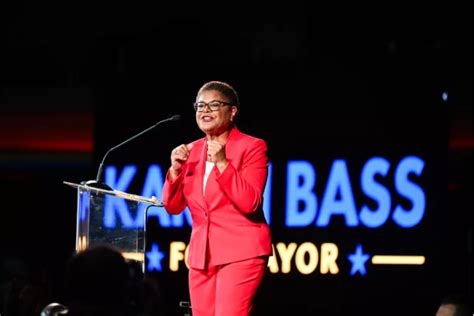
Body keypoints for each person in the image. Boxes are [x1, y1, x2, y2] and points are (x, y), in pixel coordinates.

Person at [161, 81, 272, 316]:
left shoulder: (251, 147)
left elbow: (250, 202)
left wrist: (223, 164)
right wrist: (175, 171)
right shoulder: (191, 150)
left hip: (241, 252)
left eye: (214, 105)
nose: (205, 111)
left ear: (232, 111)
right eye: (200, 105)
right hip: (201, 256)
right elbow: (172, 207)